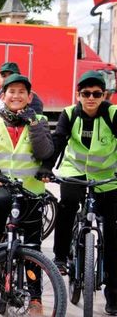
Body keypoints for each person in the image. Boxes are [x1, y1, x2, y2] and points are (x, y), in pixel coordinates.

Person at [0, 74, 53, 313]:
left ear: (29, 97)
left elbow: (45, 152)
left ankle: (36, 298)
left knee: (33, 247)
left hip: (30, 189)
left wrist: (33, 125)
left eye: (22, 92)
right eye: (11, 91)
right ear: (3, 95)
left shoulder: (38, 120)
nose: (16, 96)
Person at [43, 70, 117, 315]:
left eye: (97, 93)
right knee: (67, 205)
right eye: (86, 93)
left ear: (104, 95)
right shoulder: (68, 113)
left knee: (114, 235)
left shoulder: (113, 114)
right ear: (78, 95)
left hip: (107, 177)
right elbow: (59, 140)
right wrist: (47, 166)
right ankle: (61, 257)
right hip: (74, 170)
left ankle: (113, 295)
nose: (91, 98)